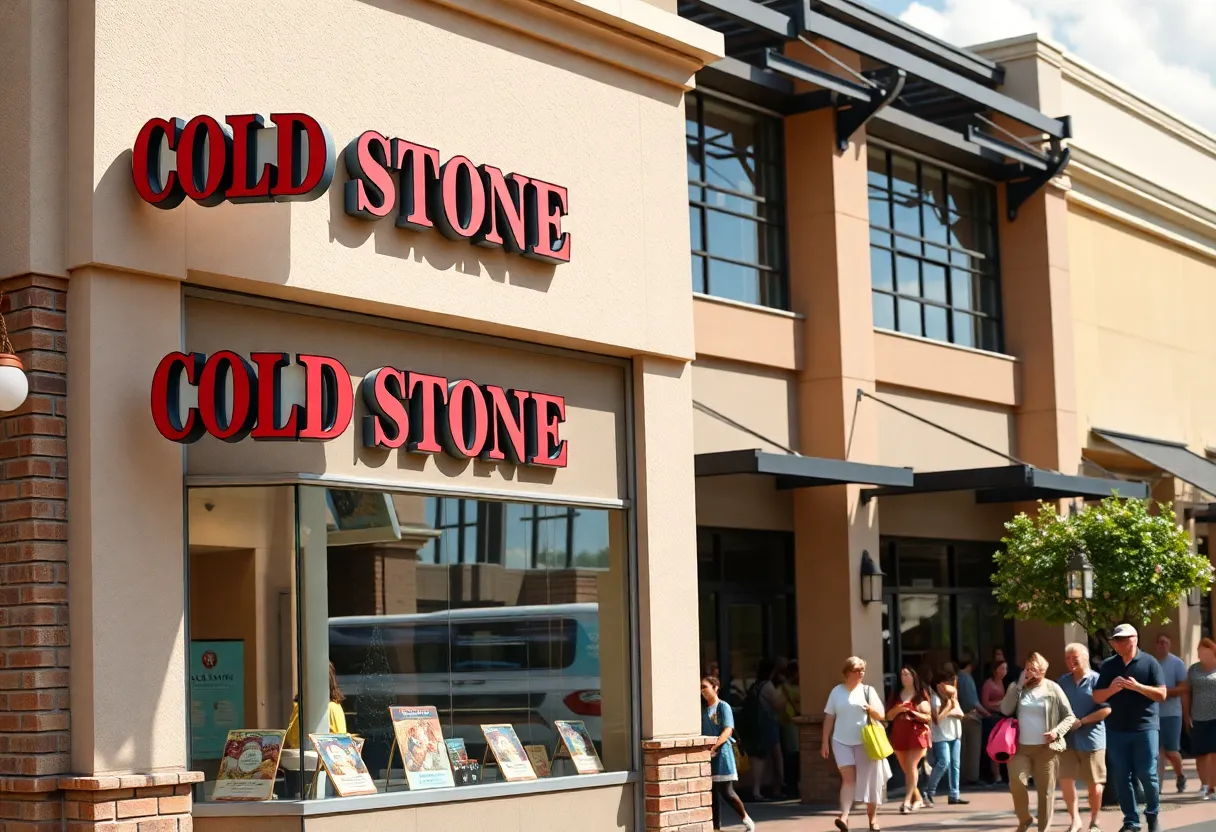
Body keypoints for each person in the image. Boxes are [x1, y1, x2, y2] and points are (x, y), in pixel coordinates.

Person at [1093, 624, 1167, 832]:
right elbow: (1097, 696)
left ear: (1134, 639)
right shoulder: (1109, 666)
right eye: (1116, 640)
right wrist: (1111, 690)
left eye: (1122, 639)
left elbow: (1162, 694)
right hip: (1117, 729)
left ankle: (1152, 814)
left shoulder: (1149, 662)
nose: (1118, 643)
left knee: (1147, 773)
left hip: (1145, 728)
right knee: (1121, 776)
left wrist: (1138, 687)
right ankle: (1131, 821)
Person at [1000, 652, 1077, 832]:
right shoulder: (1017, 687)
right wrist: (1018, 686)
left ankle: (1043, 829)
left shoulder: (1053, 688)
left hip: (1046, 749)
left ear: (1042, 671)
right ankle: (1025, 818)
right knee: (1016, 783)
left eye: (1033, 670)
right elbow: (1005, 709)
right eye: (1027, 669)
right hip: (1020, 747)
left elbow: (1070, 717)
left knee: (1046, 793)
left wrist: (1056, 732)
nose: (1029, 674)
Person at [821, 657, 887, 832]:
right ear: (847, 672)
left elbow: (881, 715)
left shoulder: (867, 691)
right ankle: (844, 817)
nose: (861, 673)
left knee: (870, 781)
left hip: (865, 742)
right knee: (848, 780)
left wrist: (870, 709)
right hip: (841, 741)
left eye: (862, 670)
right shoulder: (836, 692)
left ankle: (872, 819)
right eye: (857, 670)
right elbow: (829, 717)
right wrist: (824, 741)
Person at [1059, 642, 1110, 832]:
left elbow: (1106, 709)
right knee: (1065, 780)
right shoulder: (1062, 681)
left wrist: (1082, 721)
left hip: (1092, 739)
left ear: (1085, 658)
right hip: (1067, 740)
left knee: (1095, 786)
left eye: (1075, 657)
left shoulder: (1097, 680)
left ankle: (1095, 820)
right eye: (1067, 658)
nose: (1071, 661)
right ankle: (1075, 820)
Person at [701, 675, 756, 832]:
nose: (702, 691)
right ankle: (715, 827)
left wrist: (715, 747)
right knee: (712, 793)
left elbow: (728, 730)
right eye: (701, 688)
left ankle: (746, 819)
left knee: (726, 792)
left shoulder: (723, 707)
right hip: (709, 756)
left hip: (723, 755)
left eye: (705, 687)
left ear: (715, 687)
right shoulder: (704, 711)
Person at [887, 666, 932, 814]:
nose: (904, 677)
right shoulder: (896, 695)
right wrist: (898, 709)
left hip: (918, 733)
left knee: (911, 766)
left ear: (913, 677)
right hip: (900, 734)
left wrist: (913, 712)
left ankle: (906, 801)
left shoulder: (920, 694)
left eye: (907, 674)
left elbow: (929, 717)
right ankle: (918, 798)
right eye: (902, 674)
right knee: (907, 769)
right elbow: (888, 716)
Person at [925, 667, 968, 806]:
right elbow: (937, 720)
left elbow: (961, 714)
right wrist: (949, 707)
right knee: (944, 762)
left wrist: (950, 708)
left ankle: (954, 794)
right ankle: (929, 792)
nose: (951, 686)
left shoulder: (952, 697)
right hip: (942, 736)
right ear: (940, 685)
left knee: (955, 765)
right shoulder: (935, 698)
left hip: (956, 734)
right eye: (948, 683)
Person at [744, 660, 786, 801]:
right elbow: (778, 705)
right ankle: (778, 787)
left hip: (755, 725)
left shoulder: (755, 685)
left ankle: (763, 789)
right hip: (767, 725)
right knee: (774, 756)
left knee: (760, 756)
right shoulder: (768, 686)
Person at [1152, 633, 1188, 793]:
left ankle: (1180, 775)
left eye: (1164, 642)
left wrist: (1164, 692)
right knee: (1157, 751)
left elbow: (1184, 688)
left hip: (1172, 714)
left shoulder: (1177, 663)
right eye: (1159, 643)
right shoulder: (1153, 664)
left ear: (1169, 644)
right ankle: (1157, 786)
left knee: (1171, 751)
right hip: (1154, 714)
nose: (1161, 645)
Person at [1184, 637, 1216, 799]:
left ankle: (1213, 786)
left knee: (1213, 753)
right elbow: (1187, 692)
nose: (1202, 654)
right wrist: (1187, 714)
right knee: (1201, 754)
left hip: (1215, 716)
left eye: (1205, 650)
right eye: (1199, 651)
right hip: (1198, 716)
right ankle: (1204, 785)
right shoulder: (1193, 670)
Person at [955, 652, 988, 787]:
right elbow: (973, 702)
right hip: (971, 716)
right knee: (973, 749)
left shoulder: (956, 677)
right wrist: (987, 714)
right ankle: (972, 776)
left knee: (963, 749)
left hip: (959, 717)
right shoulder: (967, 679)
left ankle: (963, 776)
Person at [980, 659, 1009, 785]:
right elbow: (985, 703)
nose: (1005, 671)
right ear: (995, 670)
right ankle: (994, 775)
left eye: (1006, 669)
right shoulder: (988, 684)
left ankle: (1002, 774)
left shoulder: (1003, 683)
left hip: (1001, 717)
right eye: (1002, 668)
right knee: (993, 747)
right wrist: (998, 704)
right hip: (991, 719)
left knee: (1003, 746)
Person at [779, 660, 801, 798]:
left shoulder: (784, 688)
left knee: (792, 755)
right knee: (792, 755)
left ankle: (792, 784)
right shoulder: (787, 688)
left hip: (790, 723)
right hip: (790, 723)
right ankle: (792, 785)